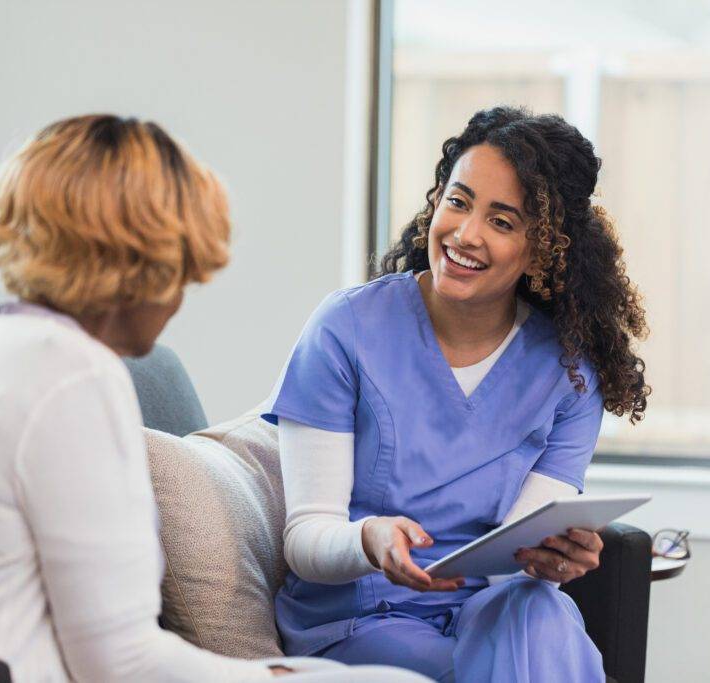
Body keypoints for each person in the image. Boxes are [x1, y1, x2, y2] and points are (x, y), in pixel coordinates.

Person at [0, 115, 426, 683]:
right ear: (141, 264)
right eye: (181, 271)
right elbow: (119, 662)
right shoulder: (75, 377)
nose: (179, 296)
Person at [264, 106, 650, 682]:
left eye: (502, 220)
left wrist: (551, 561)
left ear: (543, 248)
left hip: (483, 613)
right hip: (361, 619)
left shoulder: (569, 373)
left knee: (539, 612)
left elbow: (515, 566)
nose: (465, 234)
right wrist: (369, 540)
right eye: (459, 201)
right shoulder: (346, 329)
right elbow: (305, 540)